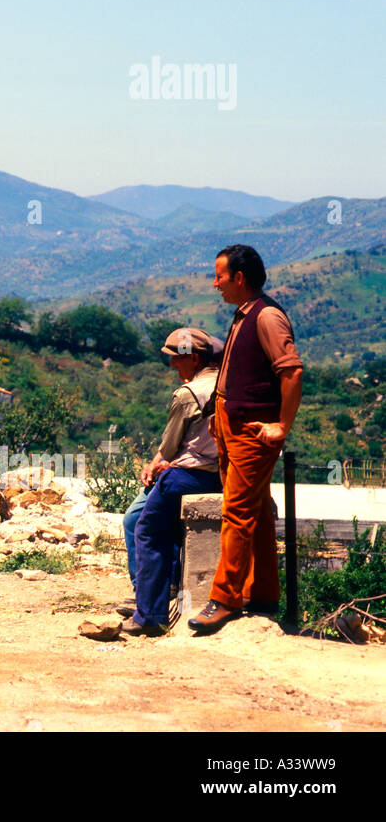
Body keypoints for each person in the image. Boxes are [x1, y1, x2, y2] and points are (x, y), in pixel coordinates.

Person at [187, 245, 303, 634]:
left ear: (239, 277)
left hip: (252, 434)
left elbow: (292, 372)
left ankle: (223, 599)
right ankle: (264, 594)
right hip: (232, 429)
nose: (214, 283)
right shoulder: (244, 314)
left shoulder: (266, 316)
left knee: (236, 514)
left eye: (219, 275)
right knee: (255, 515)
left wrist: (281, 427)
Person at [120, 328, 224, 636]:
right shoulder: (229, 385)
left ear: (193, 358)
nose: (171, 366)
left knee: (145, 528)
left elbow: (170, 446)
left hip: (189, 475)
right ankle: (159, 596)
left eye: (175, 360)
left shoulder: (188, 394)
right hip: (220, 475)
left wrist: (157, 463)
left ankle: (149, 613)